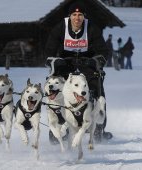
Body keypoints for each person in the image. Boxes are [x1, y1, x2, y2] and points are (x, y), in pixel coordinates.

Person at [45, 1, 112, 141]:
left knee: (96, 85)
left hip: (87, 63)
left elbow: (103, 51)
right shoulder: (60, 28)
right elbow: (48, 50)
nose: (77, 18)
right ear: (70, 16)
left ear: (84, 16)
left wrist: (96, 61)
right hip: (65, 63)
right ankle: (57, 129)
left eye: (80, 15)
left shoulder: (92, 28)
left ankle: (99, 129)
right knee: (56, 89)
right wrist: (55, 61)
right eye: (74, 15)